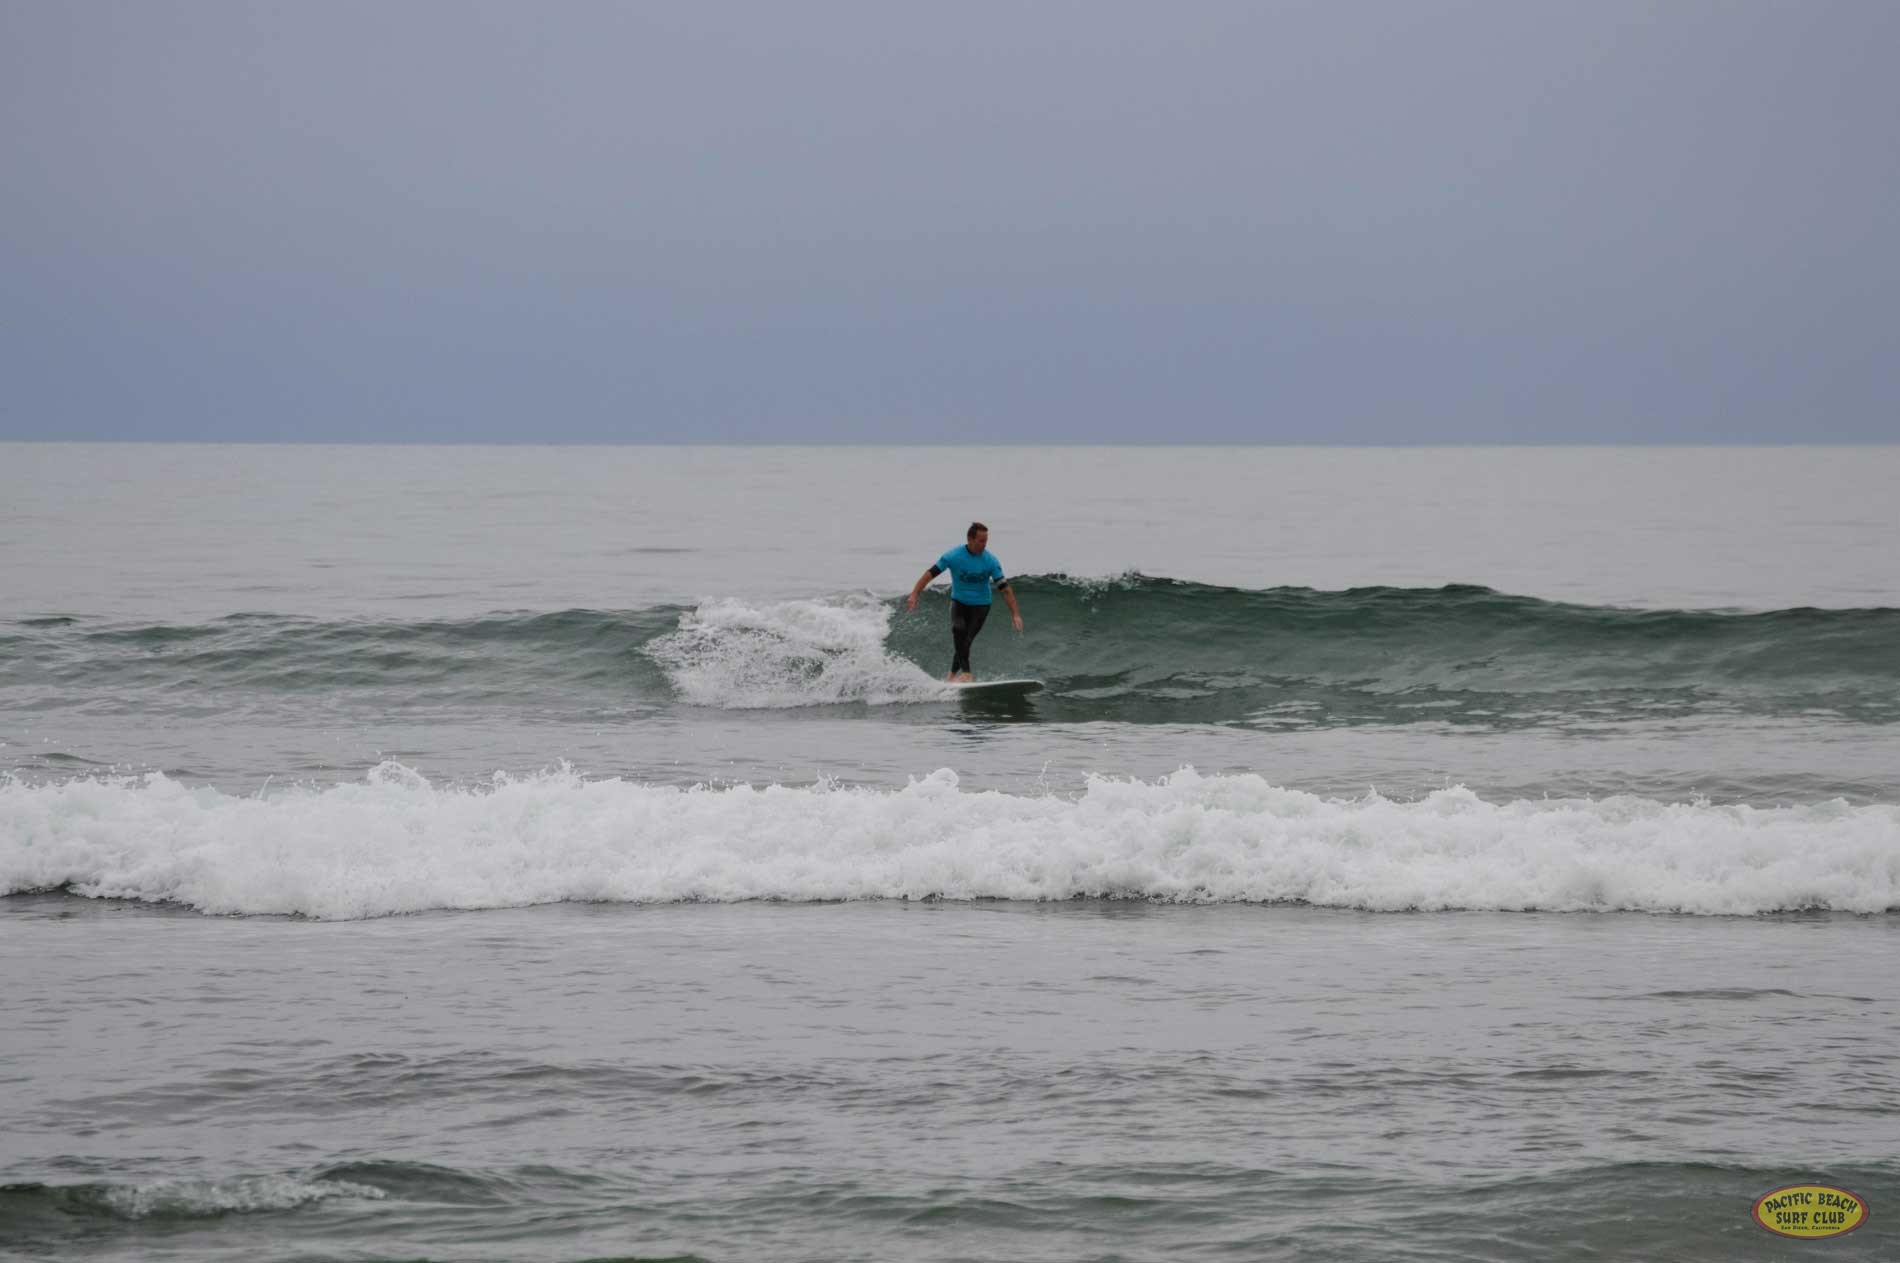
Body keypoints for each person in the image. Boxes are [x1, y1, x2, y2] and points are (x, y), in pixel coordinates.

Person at [905, 521, 1024, 682]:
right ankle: (966, 673)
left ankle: (952, 676)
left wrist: (1015, 614)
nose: (984, 544)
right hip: (959, 602)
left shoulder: (991, 561)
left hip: (981, 605)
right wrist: (914, 594)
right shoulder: (953, 556)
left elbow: (1005, 589)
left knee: (966, 640)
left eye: (986, 541)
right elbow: (929, 574)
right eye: (981, 541)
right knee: (958, 629)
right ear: (970, 539)